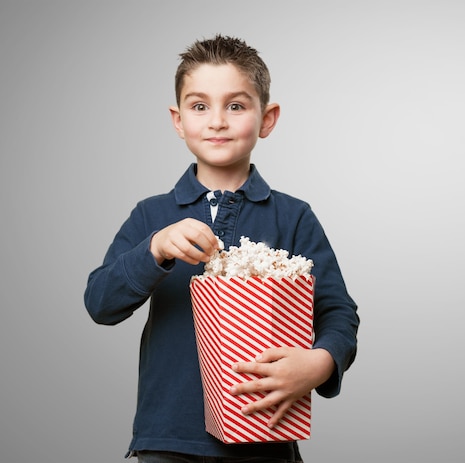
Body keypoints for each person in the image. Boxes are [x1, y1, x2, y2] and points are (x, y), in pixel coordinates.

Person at [84, 34, 359, 463]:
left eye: (236, 105)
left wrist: (320, 363)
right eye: (199, 106)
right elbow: (100, 303)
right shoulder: (151, 215)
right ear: (178, 120)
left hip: (267, 434)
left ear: (267, 118)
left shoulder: (293, 216)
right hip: (169, 437)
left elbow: (338, 311)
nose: (216, 121)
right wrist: (154, 249)